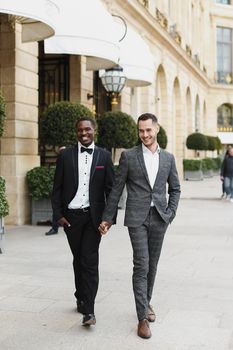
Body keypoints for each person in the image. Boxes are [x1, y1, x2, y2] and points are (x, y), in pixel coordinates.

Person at [99, 113, 180, 339]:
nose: (144, 135)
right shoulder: (128, 156)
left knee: (152, 265)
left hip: (160, 218)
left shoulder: (168, 159)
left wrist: (170, 213)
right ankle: (142, 317)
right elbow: (116, 189)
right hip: (136, 218)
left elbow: (175, 189)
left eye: (148, 130)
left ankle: (147, 302)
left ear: (157, 129)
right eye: (141, 131)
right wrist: (107, 218)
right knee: (141, 264)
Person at [51, 117, 115, 326]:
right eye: (80, 130)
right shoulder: (65, 155)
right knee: (78, 259)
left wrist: (109, 218)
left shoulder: (104, 156)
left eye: (87, 129)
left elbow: (111, 191)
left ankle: (89, 310)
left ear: (94, 130)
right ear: (76, 132)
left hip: (93, 218)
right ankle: (80, 295)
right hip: (71, 218)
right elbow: (57, 188)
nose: (83, 133)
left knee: (89, 261)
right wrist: (58, 215)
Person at [45, 147, 66, 236]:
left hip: (68, 192)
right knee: (56, 209)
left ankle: (56, 227)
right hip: (61, 191)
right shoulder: (61, 162)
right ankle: (55, 228)